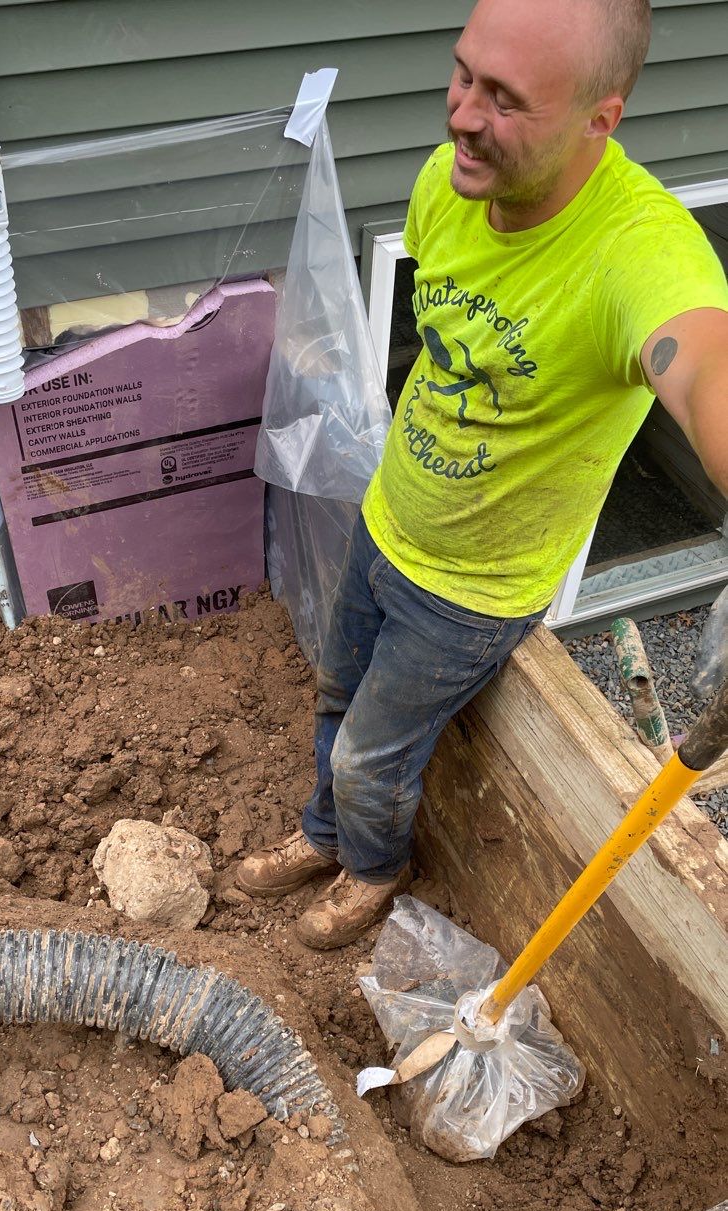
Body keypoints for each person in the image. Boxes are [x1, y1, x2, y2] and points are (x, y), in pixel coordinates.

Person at [238, 0, 728, 949]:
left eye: (505, 100)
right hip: (388, 518)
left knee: (373, 752)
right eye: (464, 74)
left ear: (600, 118)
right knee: (336, 695)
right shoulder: (449, 180)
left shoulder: (638, 253)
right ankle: (324, 834)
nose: (463, 115)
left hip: (471, 592)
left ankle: (373, 869)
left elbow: (703, 362)